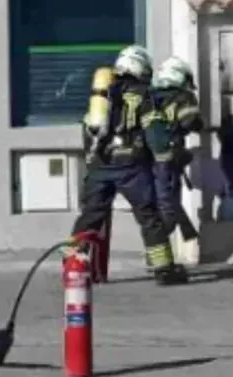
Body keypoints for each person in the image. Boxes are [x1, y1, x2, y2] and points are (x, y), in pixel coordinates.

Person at [69, 45, 188, 286]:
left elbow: (88, 129)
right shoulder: (144, 94)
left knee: (90, 216)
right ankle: (164, 269)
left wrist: (93, 162)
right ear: (141, 68)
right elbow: (154, 130)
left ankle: (73, 265)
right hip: (132, 166)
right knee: (148, 216)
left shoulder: (102, 94)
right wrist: (164, 156)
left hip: (100, 166)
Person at [145, 56, 206, 243]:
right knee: (168, 213)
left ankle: (162, 259)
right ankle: (158, 259)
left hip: (146, 160)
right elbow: (192, 122)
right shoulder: (182, 97)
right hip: (167, 162)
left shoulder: (148, 96)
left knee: (158, 208)